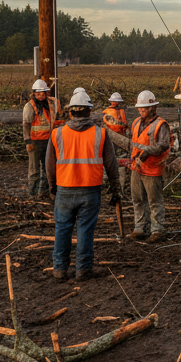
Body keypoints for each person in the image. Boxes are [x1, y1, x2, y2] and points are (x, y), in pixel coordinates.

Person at [45, 91, 121, 283]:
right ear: (89, 112)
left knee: (62, 229)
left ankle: (59, 269)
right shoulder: (100, 133)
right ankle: (83, 270)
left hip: (65, 189)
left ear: (71, 112)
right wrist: (116, 189)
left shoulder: (57, 133)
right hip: (90, 190)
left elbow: (49, 164)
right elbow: (111, 165)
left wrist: (52, 186)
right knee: (85, 230)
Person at [128, 90, 171, 243]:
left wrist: (145, 155)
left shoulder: (161, 125)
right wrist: (131, 160)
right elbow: (133, 144)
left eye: (144, 108)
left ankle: (157, 230)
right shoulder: (136, 123)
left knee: (154, 201)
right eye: (140, 108)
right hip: (137, 168)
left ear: (153, 107)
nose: (141, 111)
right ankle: (140, 228)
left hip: (152, 169)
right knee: (137, 199)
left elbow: (163, 145)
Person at [23, 79, 57, 196]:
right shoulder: (29, 106)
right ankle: (32, 193)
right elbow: (26, 125)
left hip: (48, 142)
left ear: (46, 93)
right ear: (34, 93)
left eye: (43, 93)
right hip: (35, 143)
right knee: (34, 170)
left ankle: (44, 192)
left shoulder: (50, 105)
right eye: (38, 93)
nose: (40, 95)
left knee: (47, 168)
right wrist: (28, 141)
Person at [101, 92, 128, 191]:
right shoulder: (107, 113)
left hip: (119, 141)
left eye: (117, 102)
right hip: (112, 140)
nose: (116, 103)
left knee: (119, 163)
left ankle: (118, 187)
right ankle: (113, 185)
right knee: (112, 163)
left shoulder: (119, 111)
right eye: (115, 101)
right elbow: (119, 126)